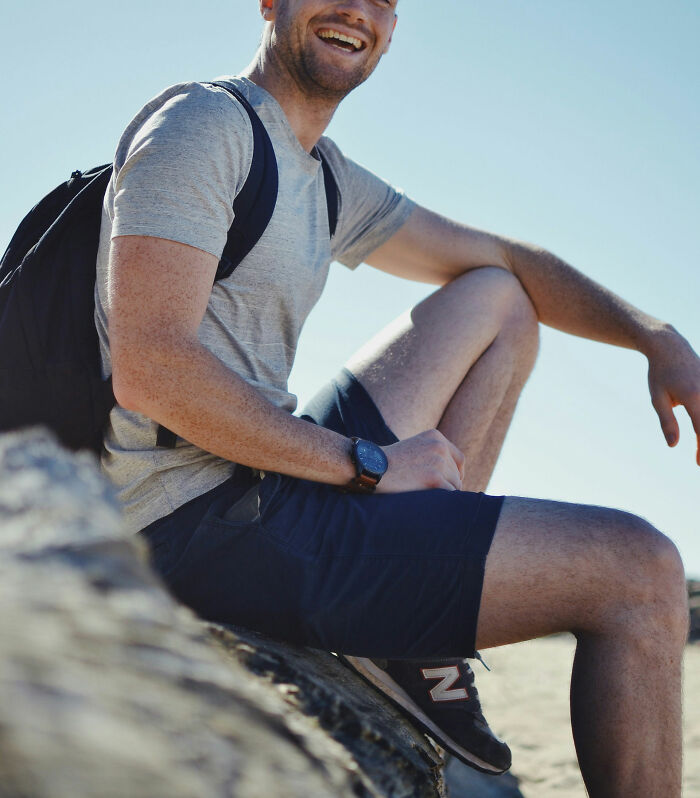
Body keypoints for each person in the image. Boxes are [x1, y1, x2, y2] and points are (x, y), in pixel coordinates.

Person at [95, 0, 697, 793]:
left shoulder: (322, 172)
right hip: (183, 521)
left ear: (393, 23)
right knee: (642, 571)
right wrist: (369, 463)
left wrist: (654, 336)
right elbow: (151, 368)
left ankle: (417, 644)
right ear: (271, 3)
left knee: (498, 297)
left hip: (258, 477)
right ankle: (415, 618)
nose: (357, 10)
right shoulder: (205, 127)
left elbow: (504, 256)